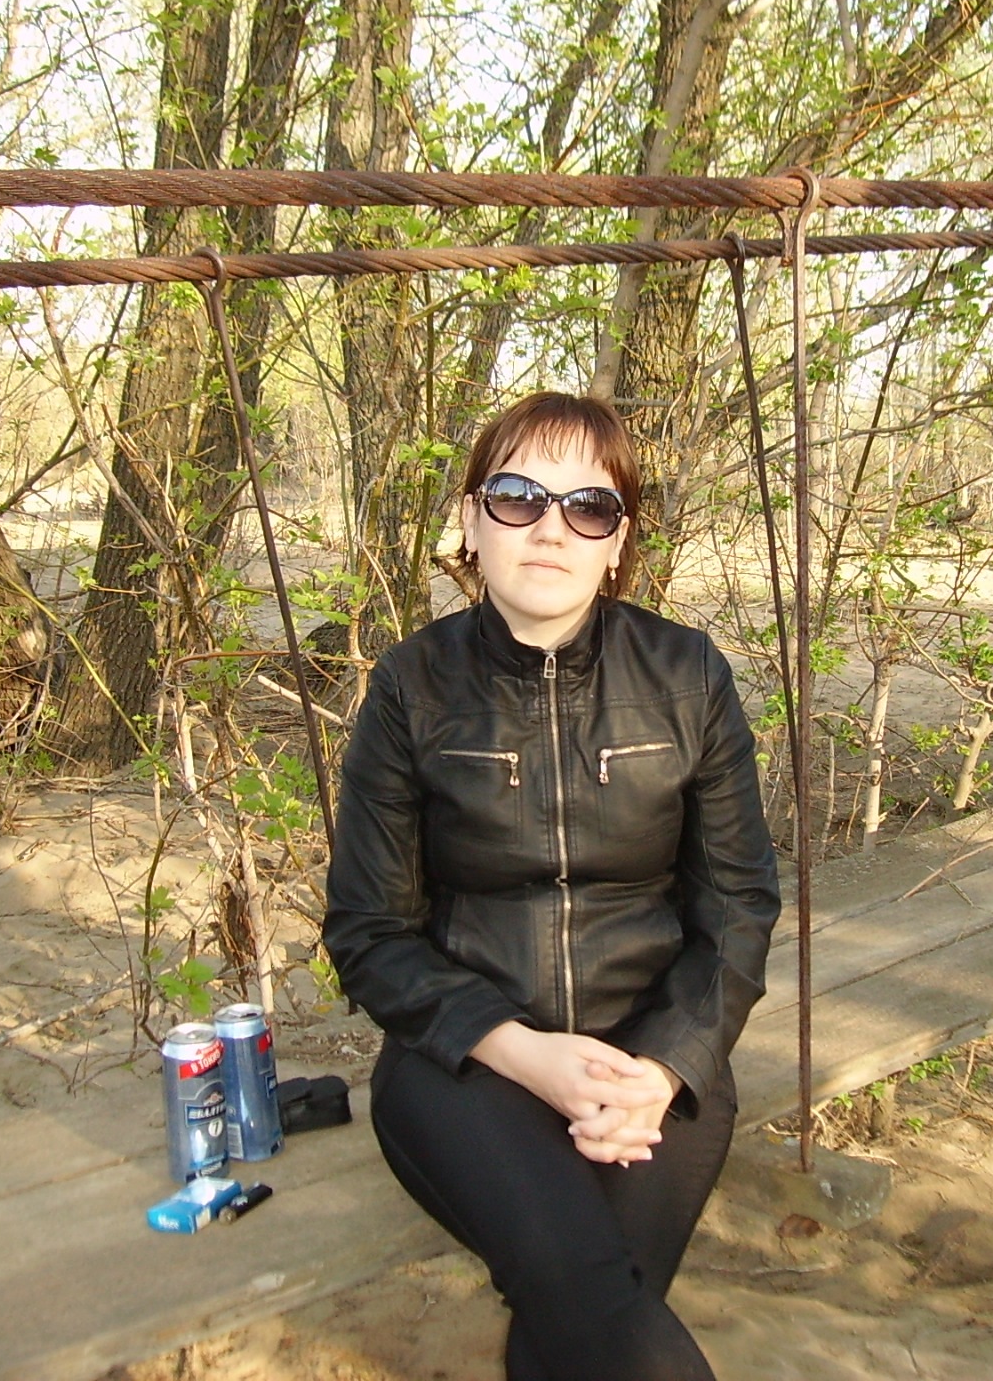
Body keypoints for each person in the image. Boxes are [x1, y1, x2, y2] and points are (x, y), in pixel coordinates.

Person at [323, 392, 781, 1381]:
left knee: (582, 1314)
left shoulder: (687, 675)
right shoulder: (410, 687)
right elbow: (367, 931)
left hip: (652, 1055)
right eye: (518, 496)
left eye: (588, 506)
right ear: (470, 520)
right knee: (595, 1297)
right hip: (466, 1060)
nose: (550, 528)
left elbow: (737, 903)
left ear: (617, 544)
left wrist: (667, 1067)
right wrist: (525, 1054)